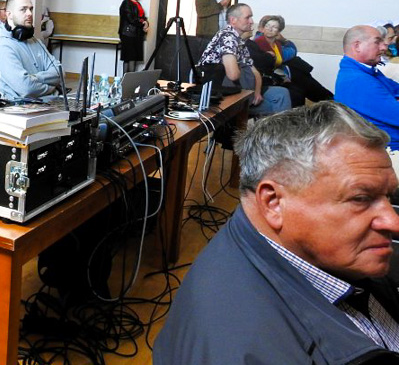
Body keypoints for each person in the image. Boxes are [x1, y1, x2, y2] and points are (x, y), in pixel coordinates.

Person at [155, 102, 399, 363]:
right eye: (361, 198)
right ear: (273, 203)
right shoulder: (241, 347)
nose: (393, 222)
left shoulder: (303, 248)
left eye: (388, 196)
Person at [198, 3, 291, 116]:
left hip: (239, 88)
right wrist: (243, 68)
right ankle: (272, 132)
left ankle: (275, 131)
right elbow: (233, 75)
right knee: (275, 106)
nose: (251, 21)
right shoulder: (227, 37)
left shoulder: (240, 41)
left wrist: (257, 93)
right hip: (219, 94)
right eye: (248, 17)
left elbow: (255, 72)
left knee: (282, 93)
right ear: (233, 20)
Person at [335, 25, 399, 153]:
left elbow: (396, 89)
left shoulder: (367, 71)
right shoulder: (357, 80)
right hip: (388, 152)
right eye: (377, 42)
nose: (384, 46)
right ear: (357, 46)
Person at [0, 0, 63, 101]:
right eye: (23, 9)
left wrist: (35, 78)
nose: (29, 13)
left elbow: (59, 73)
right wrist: (52, 87)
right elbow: (26, 88)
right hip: (20, 110)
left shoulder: (34, 40)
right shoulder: (2, 46)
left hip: (49, 105)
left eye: (31, 9)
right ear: (9, 14)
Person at [248, 14, 333, 106]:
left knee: (302, 76)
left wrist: (283, 40)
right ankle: (330, 100)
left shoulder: (277, 43)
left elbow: (291, 51)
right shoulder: (258, 43)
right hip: (271, 78)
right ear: (261, 28)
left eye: (274, 27)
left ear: (279, 31)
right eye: (267, 25)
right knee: (301, 80)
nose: (270, 29)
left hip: (283, 74)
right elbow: (291, 51)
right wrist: (284, 41)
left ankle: (329, 100)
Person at [118, 0, 149, 73]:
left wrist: (146, 23)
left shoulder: (138, 4)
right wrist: (143, 23)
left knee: (133, 58)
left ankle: (128, 82)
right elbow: (131, 19)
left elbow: (142, 17)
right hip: (128, 34)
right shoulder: (126, 3)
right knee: (129, 58)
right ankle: (127, 82)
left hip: (136, 33)